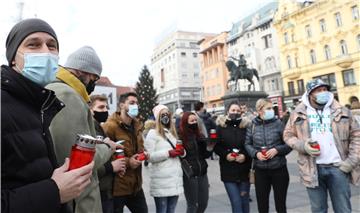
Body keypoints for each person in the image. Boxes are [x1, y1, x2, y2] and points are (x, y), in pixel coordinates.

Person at [1, 18, 93, 213]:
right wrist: (54, 191)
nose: (45, 52)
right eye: (33, 45)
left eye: (52, 46)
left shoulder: (36, 104)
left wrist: (57, 182)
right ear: (12, 58)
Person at [47, 46, 117, 213]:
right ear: (83, 72)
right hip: (80, 202)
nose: (94, 82)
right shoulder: (68, 95)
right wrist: (107, 147)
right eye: (94, 77)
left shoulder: (57, 89)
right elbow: (75, 160)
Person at [283, 79, 360, 213]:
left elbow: (356, 135)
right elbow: (288, 135)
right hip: (312, 169)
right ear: (310, 94)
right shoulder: (298, 112)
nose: (323, 93)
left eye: (325, 89)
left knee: (344, 209)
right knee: (318, 209)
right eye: (319, 90)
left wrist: (351, 161)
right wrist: (303, 146)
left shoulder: (342, 111)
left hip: (339, 168)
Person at [102, 92, 148, 213]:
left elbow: (139, 148)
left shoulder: (137, 125)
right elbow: (104, 155)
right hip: (118, 187)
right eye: (132, 103)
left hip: (136, 185)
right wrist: (129, 162)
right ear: (122, 105)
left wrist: (143, 154)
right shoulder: (110, 126)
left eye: (137, 103)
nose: (135, 106)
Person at [245, 99, 292, 213]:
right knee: (262, 205)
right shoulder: (252, 125)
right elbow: (247, 144)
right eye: (268, 108)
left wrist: (277, 150)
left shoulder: (279, 124)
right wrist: (256, 154)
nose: (272, 111)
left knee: (280, 205)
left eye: (272, 108)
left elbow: (289, 143)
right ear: (259, 110)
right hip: (260, 170)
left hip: (279, 169)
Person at [89, 95, 126, 213]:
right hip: (99, 191)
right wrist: (111, 167)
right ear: (90, 110)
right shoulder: (90, 130)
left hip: (106, 189)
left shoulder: (99, 127)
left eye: (106, 107)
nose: (105, 110)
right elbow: (89, 164)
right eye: (101, 107)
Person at [144, 105, 184, 213]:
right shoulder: (152, 133)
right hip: (161, 181)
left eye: (167, 114)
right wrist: (168, 153)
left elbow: (179, 150)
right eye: (163, 115)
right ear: (157, 117)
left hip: (174, 180)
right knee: (162, 210)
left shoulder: (172, 133)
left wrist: (182, 152)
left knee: (171, 210)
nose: (165, 117)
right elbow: (149, 157)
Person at [214, 101, 252, 213]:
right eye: (233, 110)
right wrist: (226, 155)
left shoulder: (246, 126)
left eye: (238, 111)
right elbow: (216, 146)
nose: (235, 113)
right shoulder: (221, 127)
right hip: (228, 171)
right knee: (236, 202)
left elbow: (251, 144)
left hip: (244, 171)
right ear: (227, 112)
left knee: (245, 202)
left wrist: (244, 156)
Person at [178, 112, 212, 213]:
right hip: (190, 174)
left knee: (203, 203)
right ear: (185, 122)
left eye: (195, 120)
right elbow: (180, 156)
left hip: (202, 172)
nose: (194, 123)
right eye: (191, 121)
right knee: (192, 205)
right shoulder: (180, 136)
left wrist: (209, 147)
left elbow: (206, 155)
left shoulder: (199, 135)